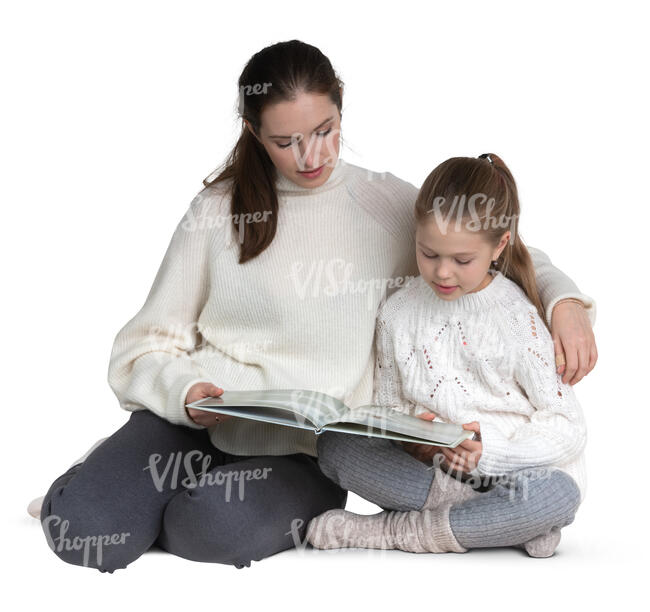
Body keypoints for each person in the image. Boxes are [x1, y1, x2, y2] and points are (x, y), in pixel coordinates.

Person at [36, 40, 596, 572]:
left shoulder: (385, 205)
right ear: (254, 133)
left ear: (342, 110)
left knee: (211, 529)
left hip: (306, 453)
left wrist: (564, 300)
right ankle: (103, 482)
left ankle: (156, 500)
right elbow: (146, 343)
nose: (312, 156)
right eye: (286, 142)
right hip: (192, 426)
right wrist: (184, 394)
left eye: (325, 131)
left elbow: (488, 243)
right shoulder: (214, 212)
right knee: (84, 534)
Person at [306, 153, 592, 558]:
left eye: (462, 260)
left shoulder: (518, 318)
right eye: (428, 254)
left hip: (511, 473)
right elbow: (390, 407)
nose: (442, 273)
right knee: (337, 446)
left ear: (500, 246)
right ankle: (492, 526)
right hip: (433, 476)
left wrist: (489, 452)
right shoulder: (397, 313)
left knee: (556, 495)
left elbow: (567, 427)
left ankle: (395, 531)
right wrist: (416, 442)